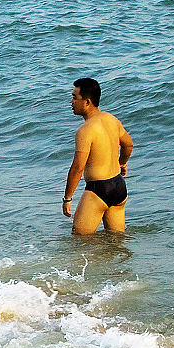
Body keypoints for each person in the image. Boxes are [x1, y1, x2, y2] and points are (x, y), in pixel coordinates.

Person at [62, 78, 134, 234]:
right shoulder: (112, 119)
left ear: (87, 102)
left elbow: (77, 168)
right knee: (117, 240)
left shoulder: (85, 130)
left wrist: (67, 198)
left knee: (80, 241)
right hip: (119, 186)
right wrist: (121, 163)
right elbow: (128, 145)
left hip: (98, 189)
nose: (71, 101)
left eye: (75, 97)